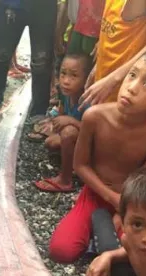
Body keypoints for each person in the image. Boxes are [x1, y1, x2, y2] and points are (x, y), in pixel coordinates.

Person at [49, 47, 146, 264]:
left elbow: (144, 177)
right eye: (132, 75)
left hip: (130, 200)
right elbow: (80, 165)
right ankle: (94, 226)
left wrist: (125, 210)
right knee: (61, 251)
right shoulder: (95, 116)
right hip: (93, 192)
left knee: (140, 253)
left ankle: (100, 234)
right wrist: (112, 198)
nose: (131, 88)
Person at [78, 0, 146, 108]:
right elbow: (114, 27)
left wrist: (113, 79)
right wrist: (98, 64)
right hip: (103, 77)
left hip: (124, 87)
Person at [0, 0, 58, 121]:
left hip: (44, 6)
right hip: (10, 4)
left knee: (41, 60)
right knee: (1, 55)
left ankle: (39, 111)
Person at [32, 54, 89, 193]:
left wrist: (71, 121)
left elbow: (95, 135)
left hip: (90, 147)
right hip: (77, 141)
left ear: (86, 79)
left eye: (73, 76)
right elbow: (62, 113)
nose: (66, 81)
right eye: (63, 74)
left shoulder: (87, 102)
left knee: (68, 132)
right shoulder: (64, 94)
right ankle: (73, 164)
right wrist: (53, 123)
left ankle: (66, 180)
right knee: (50, 142)